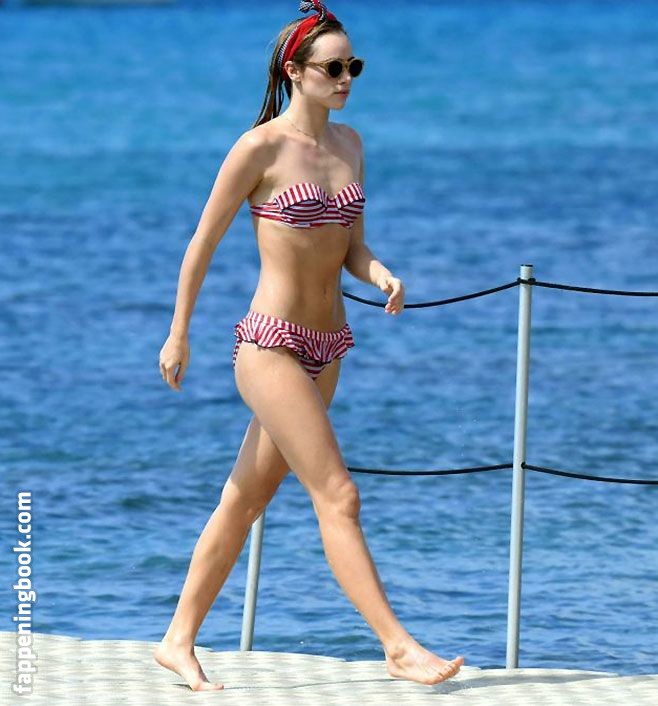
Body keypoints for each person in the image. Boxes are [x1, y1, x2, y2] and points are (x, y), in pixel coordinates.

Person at [154, 0, 464, 692]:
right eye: (333, 67)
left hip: (330, 346)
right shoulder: (259, 148)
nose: (346, 78)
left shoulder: (350, 145)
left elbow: (351, 247)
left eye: (354, 66)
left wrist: (380, 273)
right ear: (295, 71)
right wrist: (178, 333)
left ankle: (176, 639)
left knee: (244, 499)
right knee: (339, 495)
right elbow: (201, 244)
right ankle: (398, 647)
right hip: (270, 345)